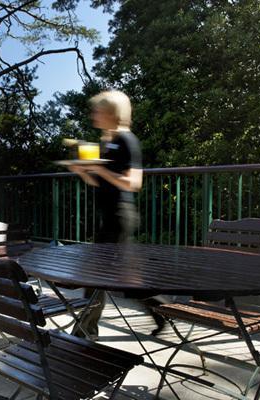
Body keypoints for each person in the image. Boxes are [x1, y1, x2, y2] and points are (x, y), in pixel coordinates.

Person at [67, 90, 165, 339]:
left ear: (111, 113)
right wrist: (82, 171)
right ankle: (161, 310)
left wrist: (101, 168)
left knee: (96, 275)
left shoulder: (126, 140)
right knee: (127, 278)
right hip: (109, 216)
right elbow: (99, 182)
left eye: (98, 110)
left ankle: (84, 330)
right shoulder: (106, 142)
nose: (94, 114)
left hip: (121, 217)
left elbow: (133, 183)